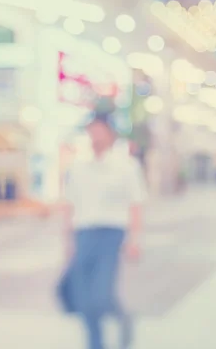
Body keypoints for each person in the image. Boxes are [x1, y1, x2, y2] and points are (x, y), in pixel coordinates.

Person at [60, 113, 147, 349]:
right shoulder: (78, 167)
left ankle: (122, 318)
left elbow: (135, 204)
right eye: (91, 131)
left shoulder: (126, 166)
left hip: (112, 233)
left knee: (100, 295)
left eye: (99, 130)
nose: (94, 136)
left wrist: (134, 240)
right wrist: (68, 242)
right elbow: (69, 205)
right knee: (83, 296)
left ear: (111, 134)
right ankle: (95, 344)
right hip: (83, 234)